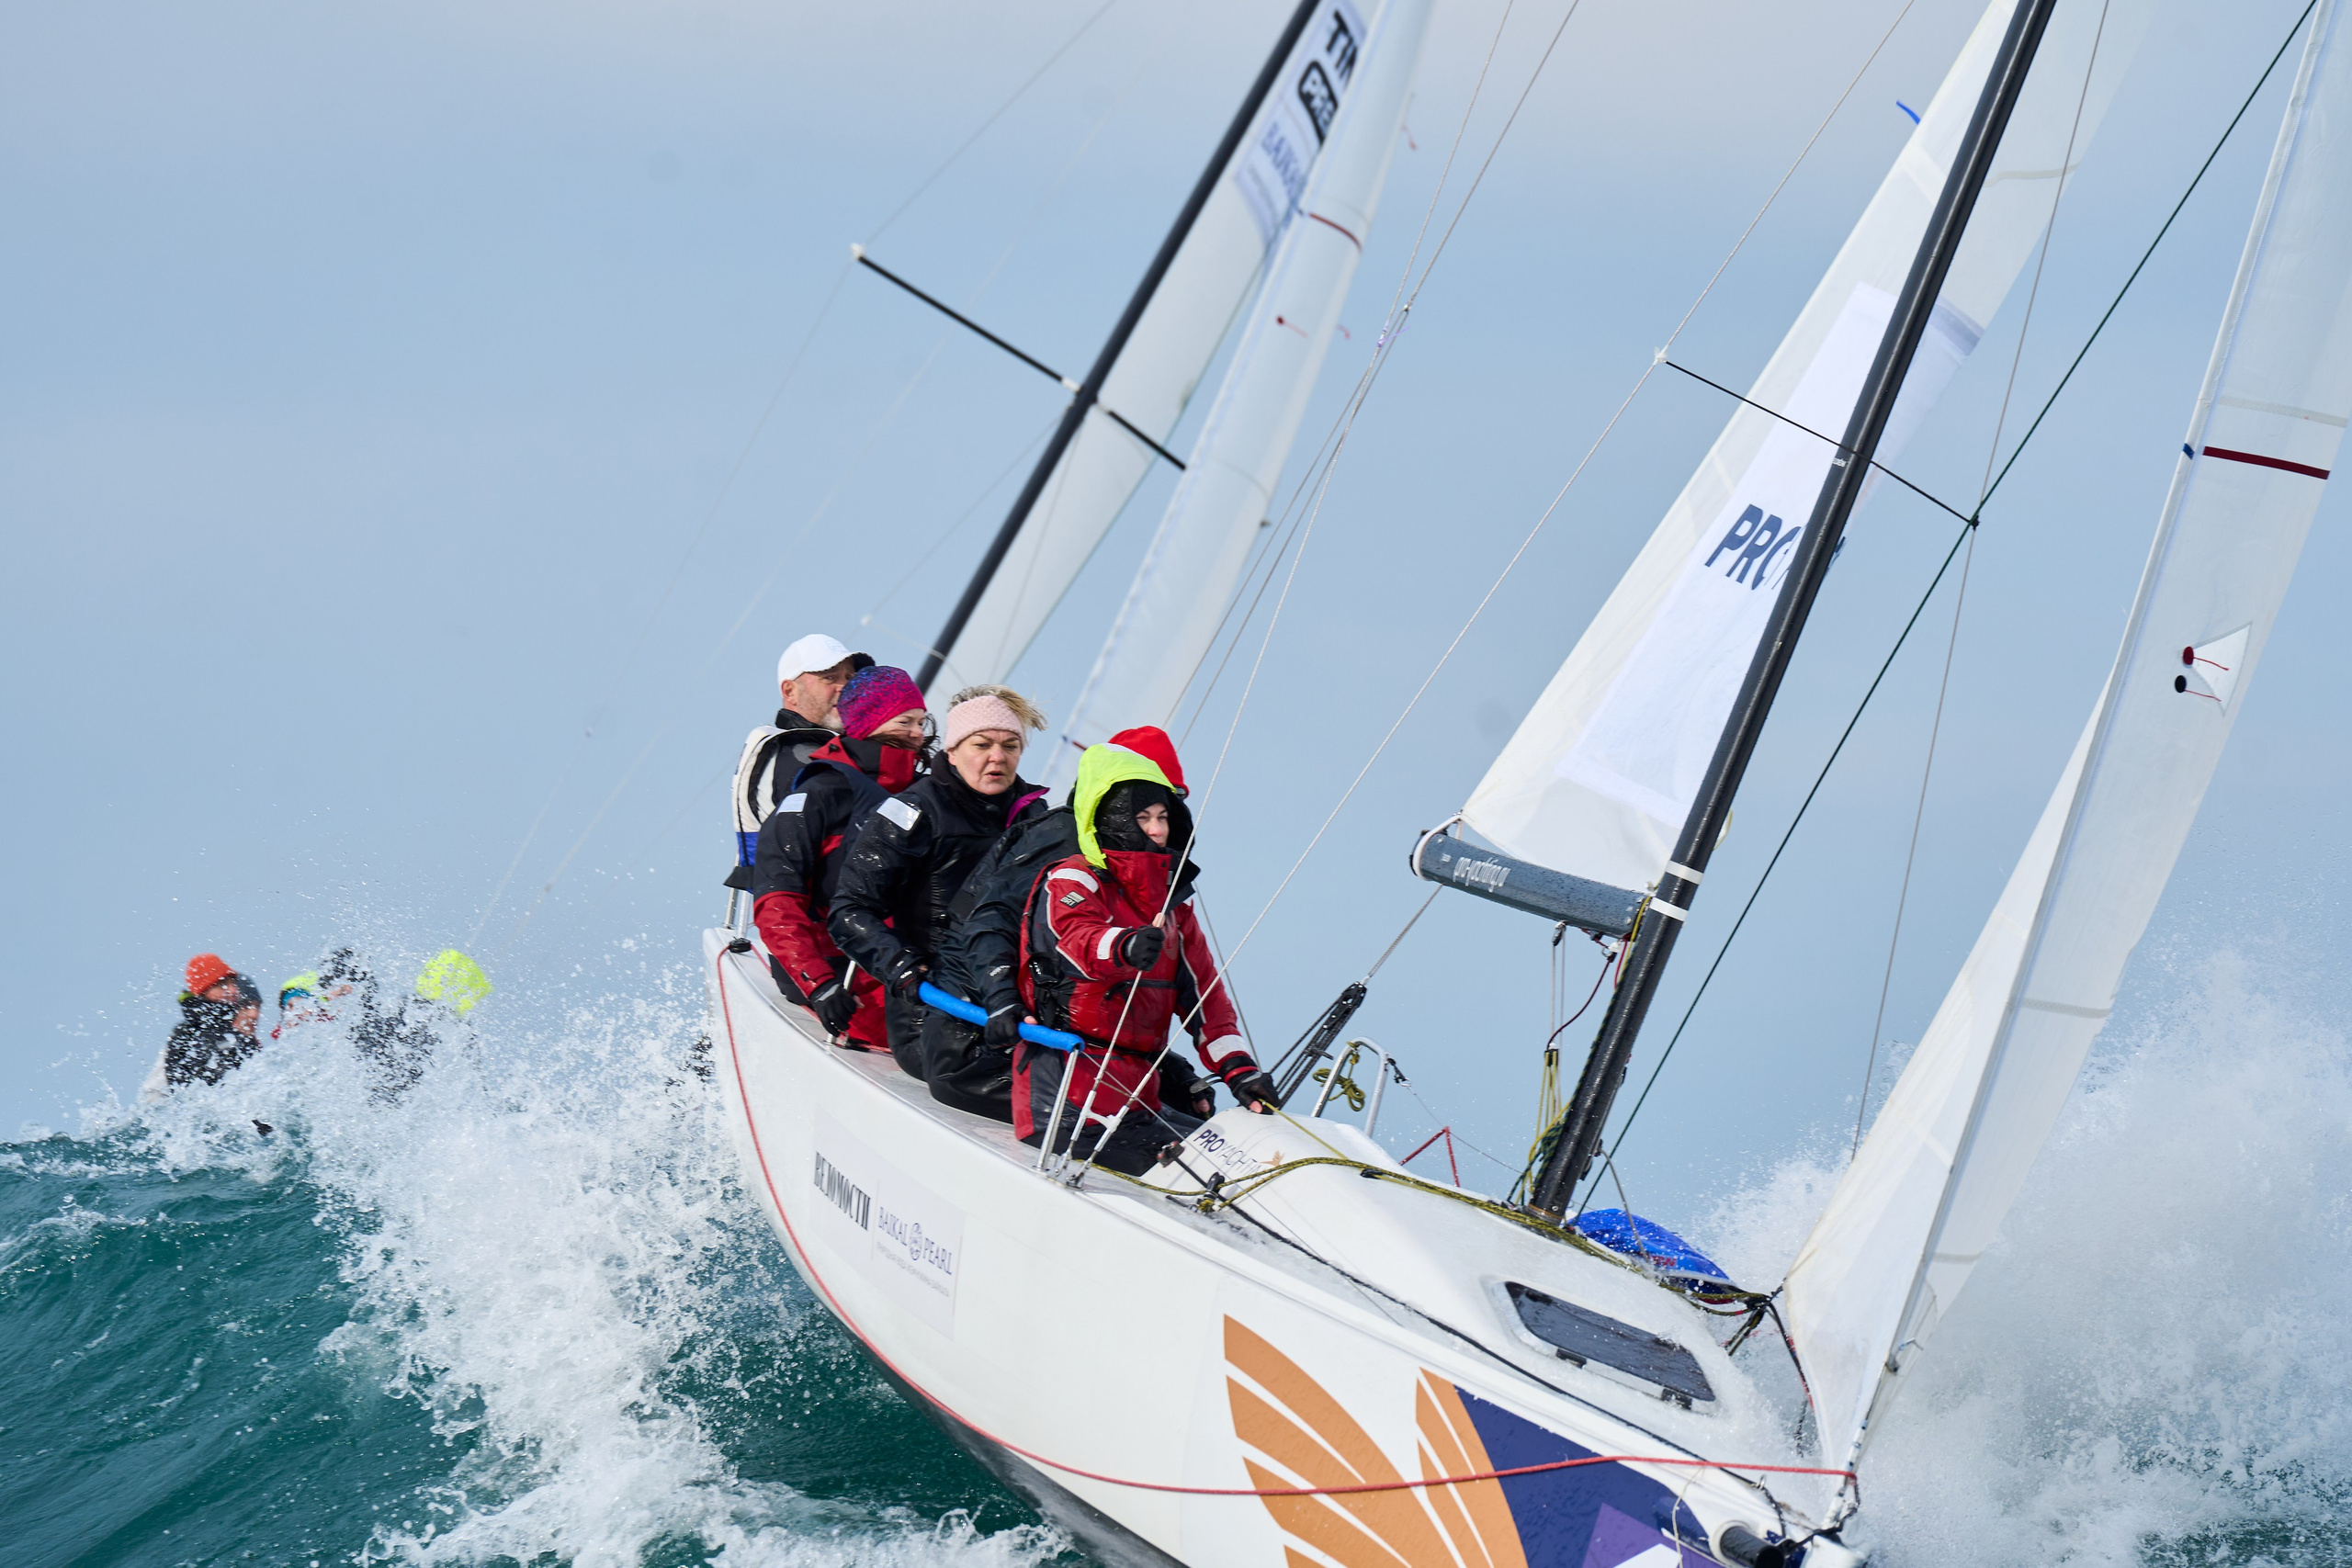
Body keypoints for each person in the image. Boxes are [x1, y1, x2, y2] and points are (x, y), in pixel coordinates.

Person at [1016, 744, 1277, 1173]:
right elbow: (1075, 938)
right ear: (1111, 818)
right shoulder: (1072, 876)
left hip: (1136, 1100)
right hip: (1064, 1100)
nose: (1156, 830)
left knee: (1242, 1160)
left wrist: (1239, 1071)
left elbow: (1205, 1000)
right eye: (1143, 818)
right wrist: (1124, 946)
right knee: (1205, 1172)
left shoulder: (1176, 908)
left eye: (1163, 817)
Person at [941, 728, 1210, 1132]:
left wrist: (1174, 1067)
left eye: (1171, 805)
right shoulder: (1068, 842)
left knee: (1182, 1101)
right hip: (976, 1035)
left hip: (1049, 1034)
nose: (1161, 822)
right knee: (1172, 1134)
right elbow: (991, 921)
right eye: (1150, 800)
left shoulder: (1135, 868)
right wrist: (999, 1001)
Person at [830, 686, 1052, 1103]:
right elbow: (849, 910)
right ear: (952, 751)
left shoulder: (1034, 817)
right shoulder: (913, 811)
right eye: (982, 744)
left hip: (1011, 1010)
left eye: (1010, 746)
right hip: (929, 1020)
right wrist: (904, 969)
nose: (997, 757)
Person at [750, 664, 927, 1050]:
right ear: (869, 723)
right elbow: (776, 902)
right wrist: (821, 986)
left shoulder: (926, 793)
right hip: (852, 989)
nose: (917, 733)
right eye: (905, 722)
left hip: (916, 977)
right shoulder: (819, 795)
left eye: (922, 722)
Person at [726, 633, 871, 891]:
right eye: (830, 678)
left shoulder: (847, 749)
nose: (844, 687)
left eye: (850, 678)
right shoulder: (793, 754)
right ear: (790, 691)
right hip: (822, 909)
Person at [154, 953, 264, 1091]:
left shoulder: (236, 1031)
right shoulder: (184, 1038)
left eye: (233, 983)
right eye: (223, 985)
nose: (233, 990)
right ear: (203, 991)